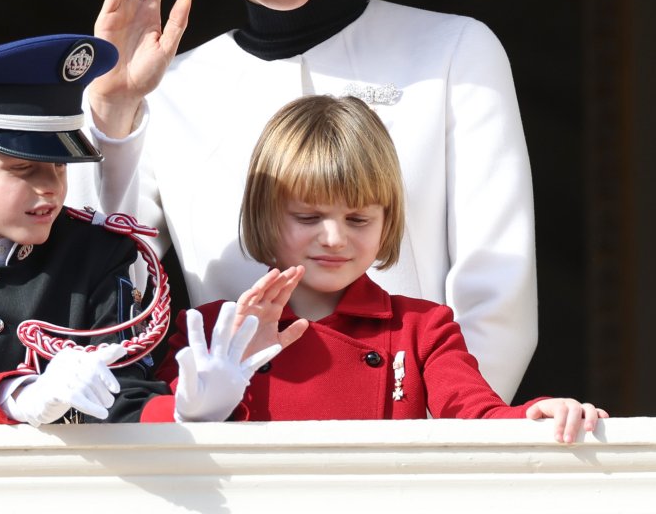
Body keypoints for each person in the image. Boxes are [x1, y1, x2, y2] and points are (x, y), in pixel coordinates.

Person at [70, 0, 537, 401]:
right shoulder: (169, 90)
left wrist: (443, 440)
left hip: (423, 434)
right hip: (234, 438)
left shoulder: (454, 52)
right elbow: (104, 284)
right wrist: (111, 109)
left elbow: (498, 287)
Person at [0, 34, 292, 425]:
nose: (51, 188)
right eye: (23, 168)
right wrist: (16, 395)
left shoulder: (99, 251)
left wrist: (185, 415)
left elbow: (122, 395)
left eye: (60, 167)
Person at [153, 95, 603, 444]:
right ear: (264, 216)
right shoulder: (209, 329)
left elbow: (479, 416)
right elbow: (156, 435)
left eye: (358, 219)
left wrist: (540, 414)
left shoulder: (421, 329)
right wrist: (221, 377)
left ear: (387, 221)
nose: (334, 238)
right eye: (308, 217)